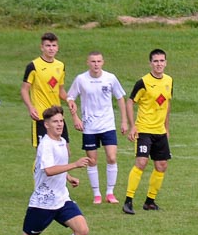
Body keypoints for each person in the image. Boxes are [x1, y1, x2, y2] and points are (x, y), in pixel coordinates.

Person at [0, 106, 90, 235]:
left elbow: (57, 168)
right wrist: (75, 164)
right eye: (55, 121)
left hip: (61, 199)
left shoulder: (63, 141)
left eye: (61, 121)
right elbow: (48, 170)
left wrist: (68, 177)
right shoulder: (45, 144)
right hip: (43, 202)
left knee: (82, 230)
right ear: (46, 125)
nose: (59, 124)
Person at [67, 51, 128, 204]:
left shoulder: (110, 78)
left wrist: (124, 121)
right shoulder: (81, 79)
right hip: (89, 127)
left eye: (99, 61)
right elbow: (70, 97)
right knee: (92, 160)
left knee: (112, 157)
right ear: (88, 62)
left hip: (107, 125)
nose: (96, 64)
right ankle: (96, 194)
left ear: (103, 62)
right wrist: (75, 117)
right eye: (93, 61)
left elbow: (120, 98)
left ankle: (110, 192)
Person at [122, 49, 173, 215]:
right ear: (150, 63)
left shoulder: (169, 81)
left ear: (165, 62)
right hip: (144, 130)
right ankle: (128, 201)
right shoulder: (142, 82)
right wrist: (132, 126)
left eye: (161, 61)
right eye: (156, 61)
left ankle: (150, 201)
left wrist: (166, 127)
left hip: (160, 131)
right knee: (141, 162)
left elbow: (167, 105)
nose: (159, 64)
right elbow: (130, 102)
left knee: (162, 165)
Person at [21, 32, 74, 150]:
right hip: (41, 116)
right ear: (42, 47)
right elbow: (24, 89)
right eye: (48, 45)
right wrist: (30, 107)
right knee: (43, 154)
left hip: (58, 115)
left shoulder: (60, 66)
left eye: (54, 45)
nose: (51, 48)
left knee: (65, 152)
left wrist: (69, 99)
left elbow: (60, 90)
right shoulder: (33, 66)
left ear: (57, 48)